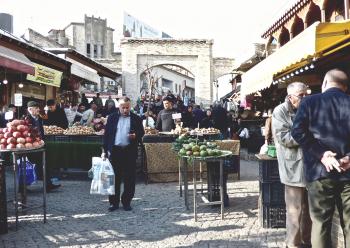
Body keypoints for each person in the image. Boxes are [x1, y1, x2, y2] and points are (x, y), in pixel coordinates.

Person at [291, 68, 350, 248]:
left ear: (324, 83)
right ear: (345, 88)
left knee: (320, 224)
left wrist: (322, 154)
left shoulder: (309, 101)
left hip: (319, 173)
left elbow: (297, 132)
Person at [272, 82, 311, 248]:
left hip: (310, 165)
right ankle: (292, 244)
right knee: (294, 210)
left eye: (305, 94)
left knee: (308, 210)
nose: (304, 98)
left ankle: (307, 242)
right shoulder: (280, 111)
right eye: (300, 95)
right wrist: (306, 136)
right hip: (292, 166)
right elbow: (284, 138)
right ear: (290, 97)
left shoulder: (308, 108)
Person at [103, 96, 144, 211]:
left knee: (129, 179)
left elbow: (141, 132)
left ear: (130, 107)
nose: (125, 110)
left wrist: (136, 135)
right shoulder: (112, 118)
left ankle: (126, 202)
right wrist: (104, 151)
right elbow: (106, 136)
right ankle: (113, 203)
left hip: (129, 151)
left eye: (127, 107)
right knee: (113, 178)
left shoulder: (136, 118)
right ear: (118, 106)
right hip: (115, 151)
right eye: (123, 107)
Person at [26, 101, 61, 191]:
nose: (38, 109)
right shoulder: (26, 119)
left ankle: (48, 185)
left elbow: (42, 129)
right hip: (30, 146)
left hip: (40, 144)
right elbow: (26, 134)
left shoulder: (39, 118)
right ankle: (22, 188)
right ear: (30, 109)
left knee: (45, 164)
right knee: (26, 166)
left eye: (38, 108)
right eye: (36, 108)